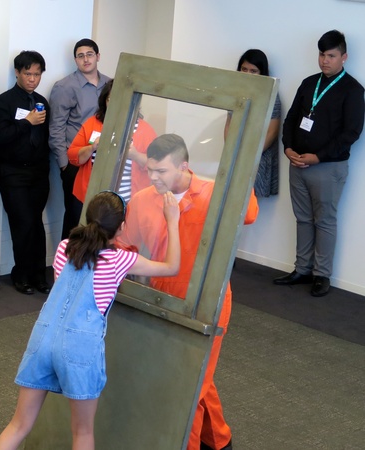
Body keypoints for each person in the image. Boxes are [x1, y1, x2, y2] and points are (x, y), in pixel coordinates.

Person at [0, 191, 181, 450]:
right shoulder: (119, 260)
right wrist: (172, 220)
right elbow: (172, 267)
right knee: (82, 433)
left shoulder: (64, 248)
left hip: (42, 338)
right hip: (79, 347)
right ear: (122, 227)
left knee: (18, 425)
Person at [116, 134, 259, 450]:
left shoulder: (213, 194)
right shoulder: (142, 200)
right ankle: (219, 440)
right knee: (191, 376)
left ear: (183, 166)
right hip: (159, 298)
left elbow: (248, 215)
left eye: (161, 171)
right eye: (150, 169)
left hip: (207, 302)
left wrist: (242, 170)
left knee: (187, 385)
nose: (153, 177)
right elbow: (126, 247)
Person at [274, 30, 364, 298]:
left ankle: (321, 274)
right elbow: (290, 119)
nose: (325, 60)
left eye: (332, 55)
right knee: (302, 219)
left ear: (344, 57)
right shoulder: (308, 83)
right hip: (297, 163)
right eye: (322, 55)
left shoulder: (353, 90)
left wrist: (318, 156)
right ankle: (302, 269)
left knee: (324, 221)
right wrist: (287, 147)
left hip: (327, 167)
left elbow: (351, 133)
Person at [0, 50, 51, 295]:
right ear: (17, 72)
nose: (32, 79)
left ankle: (39, 275)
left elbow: (45, 137)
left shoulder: (42, 102)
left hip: (38, 172)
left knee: (37, 224)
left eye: (37, 74)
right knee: (22, 223)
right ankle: (22, 274)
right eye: (28, 73)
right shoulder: (3, 102)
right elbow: (0, 138)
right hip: (12, 172)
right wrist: (27, 122)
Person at [49, 38, 111, 238]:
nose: (86, 59)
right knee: (76, 216)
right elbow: (56, 127)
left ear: (98, 56)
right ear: (75, 60)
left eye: (90, 54)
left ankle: (92, 266)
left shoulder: (111, 85)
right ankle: (65, 266)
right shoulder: (64, 86)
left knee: (101, 216)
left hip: (103, 160)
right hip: (76, 162)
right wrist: (64, 164)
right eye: (80, 56)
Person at [67, 79, 157, 203]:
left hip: (130, 200)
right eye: (111, 99)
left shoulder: (145, 130)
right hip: (92, 198)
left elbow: (156, 164)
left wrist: (135, 155)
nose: (116, 104)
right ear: (105, 101)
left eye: (122, 99)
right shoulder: (92, 123)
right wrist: (91, 147)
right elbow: (73, 156)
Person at [224, 49, 282, 198]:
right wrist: (231, 149)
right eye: (244, 69)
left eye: (253, 71)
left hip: (258, 156)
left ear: (262, 73)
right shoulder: (235, 92)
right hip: (236, 154)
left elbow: (272, 132)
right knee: (230, 197)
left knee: (249, 204)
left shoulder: (271, 95)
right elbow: (229, 123)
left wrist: (250, 155)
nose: (248, 74)